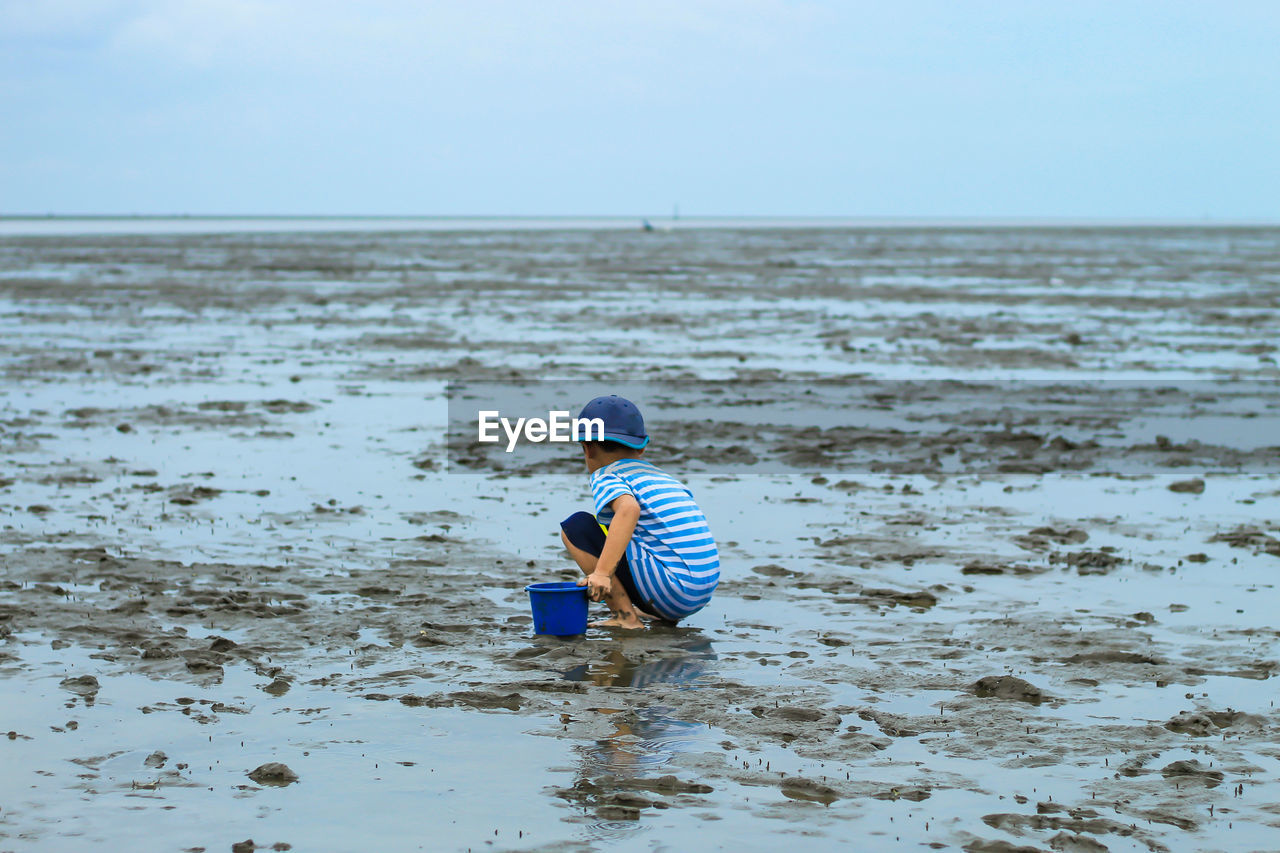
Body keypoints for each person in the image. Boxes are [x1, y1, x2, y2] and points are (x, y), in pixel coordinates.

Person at [559, 395, 719, 629]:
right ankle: (659, 612)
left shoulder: (607, 475)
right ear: (642, 447)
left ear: (588, 448)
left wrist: (602, 573)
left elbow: (628, 509)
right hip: (700, 593)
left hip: (672, 592)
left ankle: (625, 617)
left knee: (576, 527)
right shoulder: (664, 479)